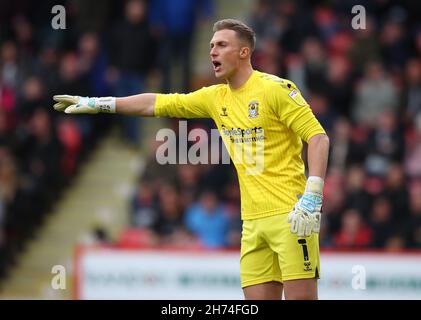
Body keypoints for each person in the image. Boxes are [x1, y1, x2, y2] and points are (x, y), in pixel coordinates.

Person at [52, 19, 329, 300]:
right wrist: (98, 103)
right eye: (211, 46)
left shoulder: (276, 89)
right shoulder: (215, 97)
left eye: (221, 45)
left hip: (292, 216)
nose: (213, 52)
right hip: (253, 224)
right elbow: (154, 103)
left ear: (244, 52)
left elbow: (318, 138)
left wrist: (312, 196)